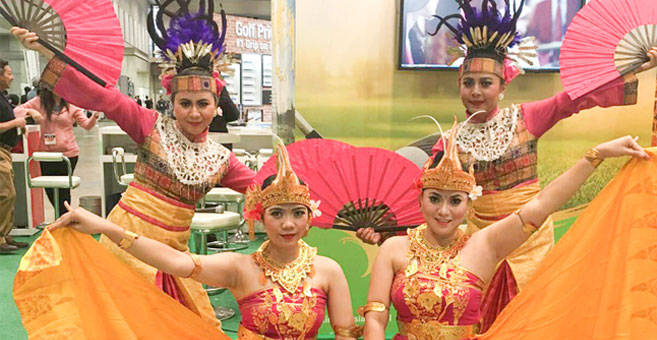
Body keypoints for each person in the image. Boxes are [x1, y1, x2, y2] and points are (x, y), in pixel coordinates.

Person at [357, 0, 657, 331]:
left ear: (503, 85)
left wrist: (628, 68)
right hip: (477, 249)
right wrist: (383, 231)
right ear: (459, 85)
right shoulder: (448, 144)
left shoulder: (525, 118)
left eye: (486, 83)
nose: (475, 92)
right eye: (468, 82)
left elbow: (573, 98)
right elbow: (432, 205)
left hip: (530, 242)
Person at [10, 2, 255, 328]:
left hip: (173, 259)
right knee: (120, 324)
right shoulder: (150, 125)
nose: (193, 113)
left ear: (216, 107)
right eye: (185, 104)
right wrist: (44, 48)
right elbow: (105, 97)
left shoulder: (223, 160)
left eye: (202, 104)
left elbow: (263, 185)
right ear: (173, 103)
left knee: (183, 326)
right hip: (123, 244)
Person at [25, 139, 361, 340]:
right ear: (260, 217)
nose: (288, 224)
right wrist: (105, 226)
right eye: (277, 214)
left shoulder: (328, 271)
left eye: (297, 213)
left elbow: (345, 334)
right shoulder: (240, 268)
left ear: (309, 219)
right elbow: (172, 261)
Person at [359, 116, 652, 339]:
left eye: (455, 201)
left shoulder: (483, 245)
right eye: (434, 199)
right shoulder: (395, 248)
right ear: (420, 200)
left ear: (469, 205)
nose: (444, 211)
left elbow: (540, 206)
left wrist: (595, 155)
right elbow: (376, 316)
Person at [14, 86, 99, 217]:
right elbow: (17, 110)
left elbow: (87, 125)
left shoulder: (71, 104)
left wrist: (94, 117)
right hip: (46, 154)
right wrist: (31, 111)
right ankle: (65, 218)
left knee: (64, 190)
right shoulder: (39, 102)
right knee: (50, 190)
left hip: (68, 153)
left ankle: (64, 219)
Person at [0, 58, 39, 253]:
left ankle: (5, 235)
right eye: (8, 73)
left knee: (8, 193)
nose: (12, 77)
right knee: (6, 194)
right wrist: (16, 124)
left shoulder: (3, 97)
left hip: (5, 151)